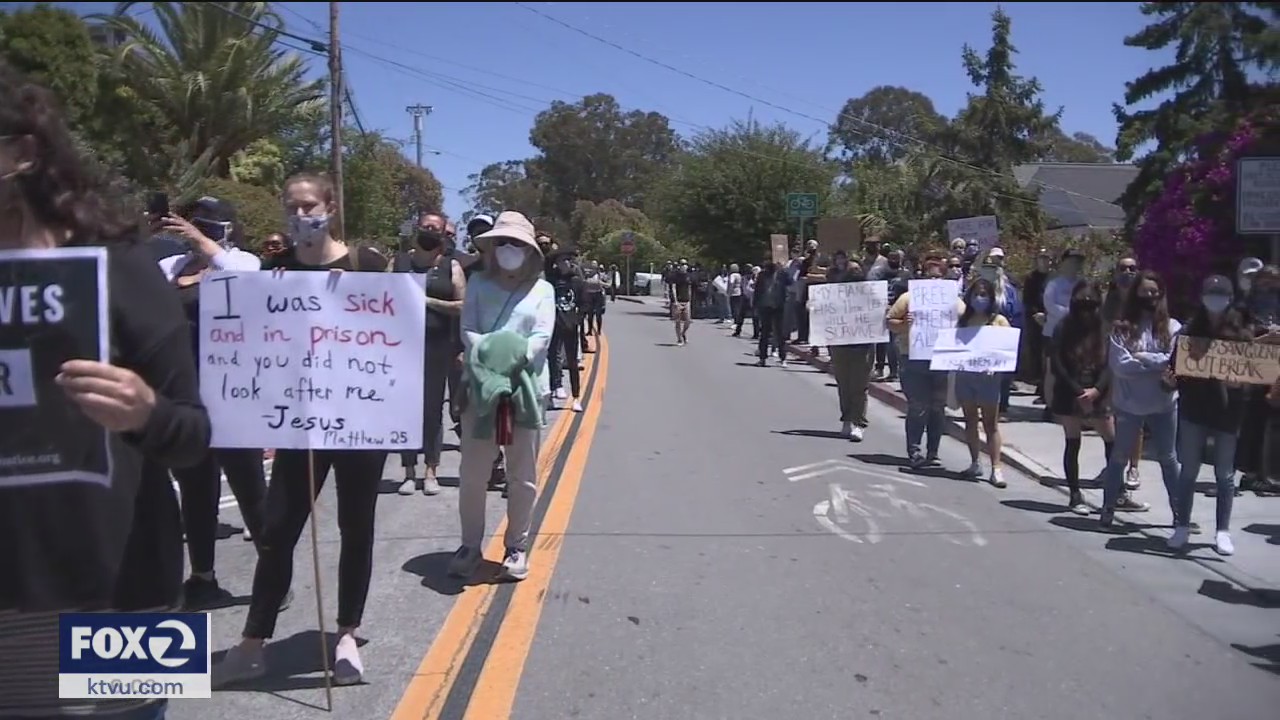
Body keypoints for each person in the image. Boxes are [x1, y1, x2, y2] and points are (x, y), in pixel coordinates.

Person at [0, 59, 211, 720]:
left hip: (122, 590)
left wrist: (145, 413)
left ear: (22, 153)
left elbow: (192, 434)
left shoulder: (119, 265)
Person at [213, 173, 390, 688]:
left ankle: (347, 636)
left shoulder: (368, 264)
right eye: (291, 206)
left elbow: (395, 339)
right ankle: (252, 644)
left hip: (360, 419)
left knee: (357, 527)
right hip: (299, 422)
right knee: (277, 530)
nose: (299, 215)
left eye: (309, 205)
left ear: (331, 207)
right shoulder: (277, 270)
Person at [154, 196, 267, 607]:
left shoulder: (241, 263)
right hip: (185, 396)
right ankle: (202, 575)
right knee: (196, 490)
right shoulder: (170, 268)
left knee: (251, 489)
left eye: (208, 223)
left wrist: (204, 243)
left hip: (232, 396)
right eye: (193, 220)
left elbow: (242, 277)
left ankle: (273, 575)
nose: (197, 228)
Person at [449, 211, 555, 581]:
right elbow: (469, 329)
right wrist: (493, 353)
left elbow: (541, 337)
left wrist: (514, 355)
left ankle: (517, 545)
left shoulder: (543, 290)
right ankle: (469, 544)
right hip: (483, 389)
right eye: (502, 242)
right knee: (473, 473)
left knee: (521, 474)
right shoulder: (477, 283)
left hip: (524, 391)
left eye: (516, 243)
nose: (508, 249)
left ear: (529, 251)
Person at [1169, 275, 1251, 553]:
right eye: (1210, 294)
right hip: (1194, 410)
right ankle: (1182, 526)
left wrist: (1239, 384)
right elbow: (1174, 370)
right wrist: (1168, 380)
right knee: (1188, 471)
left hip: (1228, 414)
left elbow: (1252, 373)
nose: (1215, 299)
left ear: (1229, 299)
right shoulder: (1189, 332)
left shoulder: (1242, 334)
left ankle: (1222, 531)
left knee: (1225, 475)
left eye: (1220, 294)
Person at [1099, 270, 1180, 528]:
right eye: (1145, 291)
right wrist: (1155, 363)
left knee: (1168, 459)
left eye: (1155, 292)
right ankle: (1108, 507)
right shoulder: (1122, 327)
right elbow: (1121, 366)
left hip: (1164, 404)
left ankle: (1180, 514)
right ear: (1135, 294)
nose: (1150, 296)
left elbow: (1174, 361)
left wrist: (1144, 358)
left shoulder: (1173, 327)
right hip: (1129, 404)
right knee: (1119, 458)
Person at [397, 215, 466, 496]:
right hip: (402, 347)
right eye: (425, 227)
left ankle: (430, 471)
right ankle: (408, 471)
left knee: (432, 408)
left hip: (439, 346)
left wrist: (428, 302)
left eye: (435, 229)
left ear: (444, 235)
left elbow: (463, 304)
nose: (429, 232)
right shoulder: (400, 263)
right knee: (405, 410)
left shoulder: (452, 267)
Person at [886, 254, 959, 468]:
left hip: (942, 360)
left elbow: (967, 320)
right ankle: (915, 452)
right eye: (930, 277)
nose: (933, 282)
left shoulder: (954, 300)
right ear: (922, 277)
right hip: (913, 359)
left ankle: (933, 453)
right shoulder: (908, 298)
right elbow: (890, 321)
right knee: (918, 407)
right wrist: (903, 323)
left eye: (938, 278)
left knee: (938, 408)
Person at [1049, 280, 1115, 515]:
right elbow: (1056, 362)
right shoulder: (1063, 327)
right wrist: (1078, 391)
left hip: (1099, 391)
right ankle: (1075, 494)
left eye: (1091, 303)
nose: (1086, 308)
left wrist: (1097, 390)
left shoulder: (1104, 328)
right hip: (1070, 391)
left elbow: (1111, 364)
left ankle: (1116, 491)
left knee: (1111, 440)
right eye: (1081, 303)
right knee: (1073, 441)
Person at [954, 279, 1011, 487]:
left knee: (990, 424)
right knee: (970, 420)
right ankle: (975, 462)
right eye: (977, 294)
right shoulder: (963, 322)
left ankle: (996, 468)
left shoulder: (999, 321)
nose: (980, 298)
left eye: (984, 294)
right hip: (966, 376)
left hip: (989, 378)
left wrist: (995, 365)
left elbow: (1007, 351)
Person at [824, 251, 872, 440]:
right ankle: (847, 419)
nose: (854, 272)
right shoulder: (833, 293)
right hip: (840, 343)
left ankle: (859, 423)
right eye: (850, 269)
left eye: (856, 269)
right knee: (843, 384)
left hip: (863, 346)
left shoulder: (872, 294)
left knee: (859, 386)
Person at [547, 249, 586, 413]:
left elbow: (584, 305)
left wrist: (576, 320)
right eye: (564, 260)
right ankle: (550, 394)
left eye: (569, 261)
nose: (567, 263)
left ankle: (576, 397)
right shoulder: (551, 280)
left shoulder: (577, 281)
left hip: (570, 325)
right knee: (551, 359)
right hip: (553, 324)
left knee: (572, 363)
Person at [668, 260, 693, 346]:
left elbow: (689, 288)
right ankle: (679, 339)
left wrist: (690, 299)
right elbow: (673, 288)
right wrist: (675, 301)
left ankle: (683, 333)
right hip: (678, 301)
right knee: (678, 321)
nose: (684, 266)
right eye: (682, 264)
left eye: (685, 264)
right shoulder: (675, 276)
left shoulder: (688, 276)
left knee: (688, 320)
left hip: (686, 301)